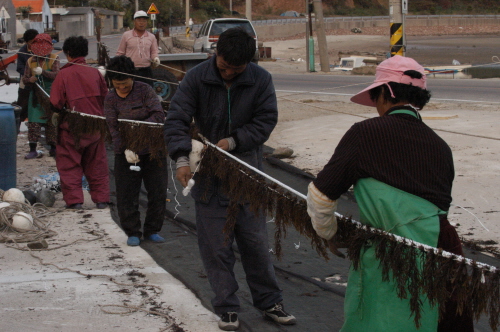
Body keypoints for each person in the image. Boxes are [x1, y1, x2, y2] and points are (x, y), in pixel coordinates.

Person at [306, 55, 474, 331]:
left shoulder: (365, 134)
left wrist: (330, 233)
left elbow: (320, 195)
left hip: (389, 258)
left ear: (388, 92)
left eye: (376, 96)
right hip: (440, 256)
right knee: (429, 321)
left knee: (383, 320)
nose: (375, 106)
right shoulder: (440, 146)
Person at [164, 28, 296, 331]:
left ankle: (269, 302)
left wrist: (234, 141)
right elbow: (177, 119)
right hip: (208, 174)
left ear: (248, 64)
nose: (228, 75)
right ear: (215, 55)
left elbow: (266, 120)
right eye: (224, 68)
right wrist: (182, 160)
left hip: (246, 172)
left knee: (255, 243)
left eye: (236, 71)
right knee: (216, 246)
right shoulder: (196, 78)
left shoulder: (260, 80)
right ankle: (227, 307)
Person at [104, 55, 167, 247]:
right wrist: (124, 150)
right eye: (117, 84)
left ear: (132, 77)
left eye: (125, 83)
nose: (122, 88)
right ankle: (132, 231)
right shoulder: (111, 98)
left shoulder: (145, 90)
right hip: (126, 153)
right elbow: (113, 127)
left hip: (152, 150)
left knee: (157, 191)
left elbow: (158, 115)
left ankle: (152, 230)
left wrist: (138, 130)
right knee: (126, 193)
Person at [50, 36, 110, 210]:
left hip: (72, 129)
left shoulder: (63, 75)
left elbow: (55, 103)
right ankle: (101, 200)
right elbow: (106, 99)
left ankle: (75, 201)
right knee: (97, 164)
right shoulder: (95, 73)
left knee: (69, 164)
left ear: (68, 53)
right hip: (95, 128)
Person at [22, 33, 59, 159]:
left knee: (51, 123)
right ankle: (33, 149)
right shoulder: (30, 60)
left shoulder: (54, 58)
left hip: (50, 95)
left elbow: (56, 75)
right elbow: (25, 78)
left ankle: (53, 149)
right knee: (33, 123)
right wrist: (30, 79)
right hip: (36, 98)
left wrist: (43, 72)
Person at [116, 10, 160, 86]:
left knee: (147, 93)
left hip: (146, 71)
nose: (141, 23)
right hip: (130, 71)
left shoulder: (151, 37)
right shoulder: (126, 35)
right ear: (134, 21)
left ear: (146, 22)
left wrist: (155, 58)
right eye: (139, 20)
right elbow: (120, 53)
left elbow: (154, 52)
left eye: (144, 20)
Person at [16, 29, 38, 132]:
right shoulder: (22, 51)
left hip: (39, 82)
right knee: (22, 108)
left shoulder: (41, 50)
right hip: (26, 83)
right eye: (32, 41)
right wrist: (29, 74)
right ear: (27, 42)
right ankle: (16, 129)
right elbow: (19, 68)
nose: (35, 44)